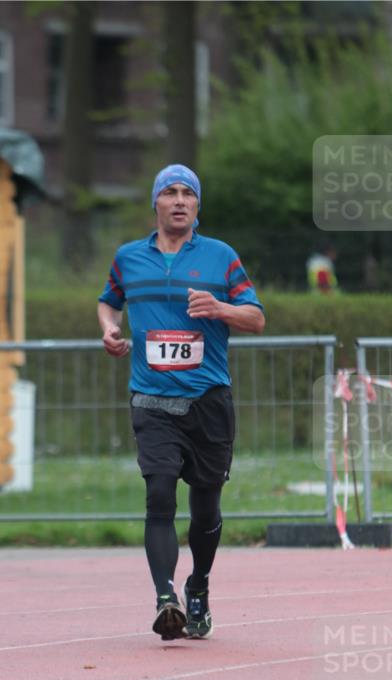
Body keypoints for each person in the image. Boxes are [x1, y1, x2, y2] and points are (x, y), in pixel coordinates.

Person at [98, 164, 265, 641]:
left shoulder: (220, 257)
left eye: (186, 194)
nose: (177, 201)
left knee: (206, 508)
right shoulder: (129, 257)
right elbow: (109, 301)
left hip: (208, 400)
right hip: (152, 399)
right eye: (168, 192)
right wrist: (109, 329)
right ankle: (164, 597)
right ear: (155, 203)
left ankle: (198, 586)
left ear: (197, 206)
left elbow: (256, 318)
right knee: (158, 494)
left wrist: (221, 309)